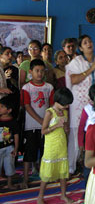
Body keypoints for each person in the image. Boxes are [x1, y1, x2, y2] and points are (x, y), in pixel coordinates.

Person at [65, 35, 95, 175]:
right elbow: (73, 79)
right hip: (80, 102)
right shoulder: (77, 61)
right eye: (85, 43)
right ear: (80, 48)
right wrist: (91, 68)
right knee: (77, 134)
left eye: (90, 41)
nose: (89, 44)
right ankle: (71, 167)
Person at [21, 59, 55, 188]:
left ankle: (46, 176)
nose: (40, 73)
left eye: (42, 71)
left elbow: (52, 106)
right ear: (30, 72)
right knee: (29, 153)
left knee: (46, 152)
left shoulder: (49, 87)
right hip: (32, 126)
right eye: (37, 71)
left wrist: (48, 121)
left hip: (47, 126)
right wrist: (40, 120)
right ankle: (25, 179)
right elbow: (27, 106)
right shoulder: (26, 87)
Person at [37, 88, 73, 204]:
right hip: (51, 146)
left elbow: (66, 127)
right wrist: (56, 126)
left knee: (63, 172)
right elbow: (43, 131)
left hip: (61, 145)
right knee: (47, 174)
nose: (67, 107)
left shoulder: (65, 112)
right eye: (66, 104)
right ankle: (40, 197)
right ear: (59, 101)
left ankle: (63, 195)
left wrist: (66, 128)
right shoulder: (49, 112)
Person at [77, 83, 95, 187]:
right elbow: (81, 127)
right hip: (89, 140)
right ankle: (88, 187)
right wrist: (80, 144)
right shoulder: (87, 109)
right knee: (88, 164)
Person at [0, 96, 19, 189]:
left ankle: (9, 183)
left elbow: (16, 135)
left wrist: (16, 148)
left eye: (2, 107)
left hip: (9, 147)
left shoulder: (13, 122)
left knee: (9, 165)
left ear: (9, 110)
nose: (0, 108)